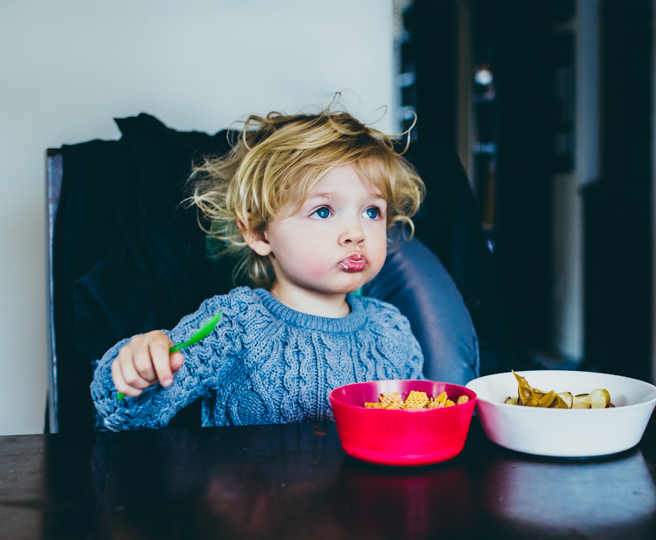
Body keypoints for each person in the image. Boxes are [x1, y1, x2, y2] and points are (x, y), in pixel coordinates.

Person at [90, 107, 427, 428]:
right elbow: (129, 415)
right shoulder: (234, 324)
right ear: (258, 232)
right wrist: (136, 369)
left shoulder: (392, 331)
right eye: (323, 211)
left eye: (372, 212)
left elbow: (421, 426)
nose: (357, 234)